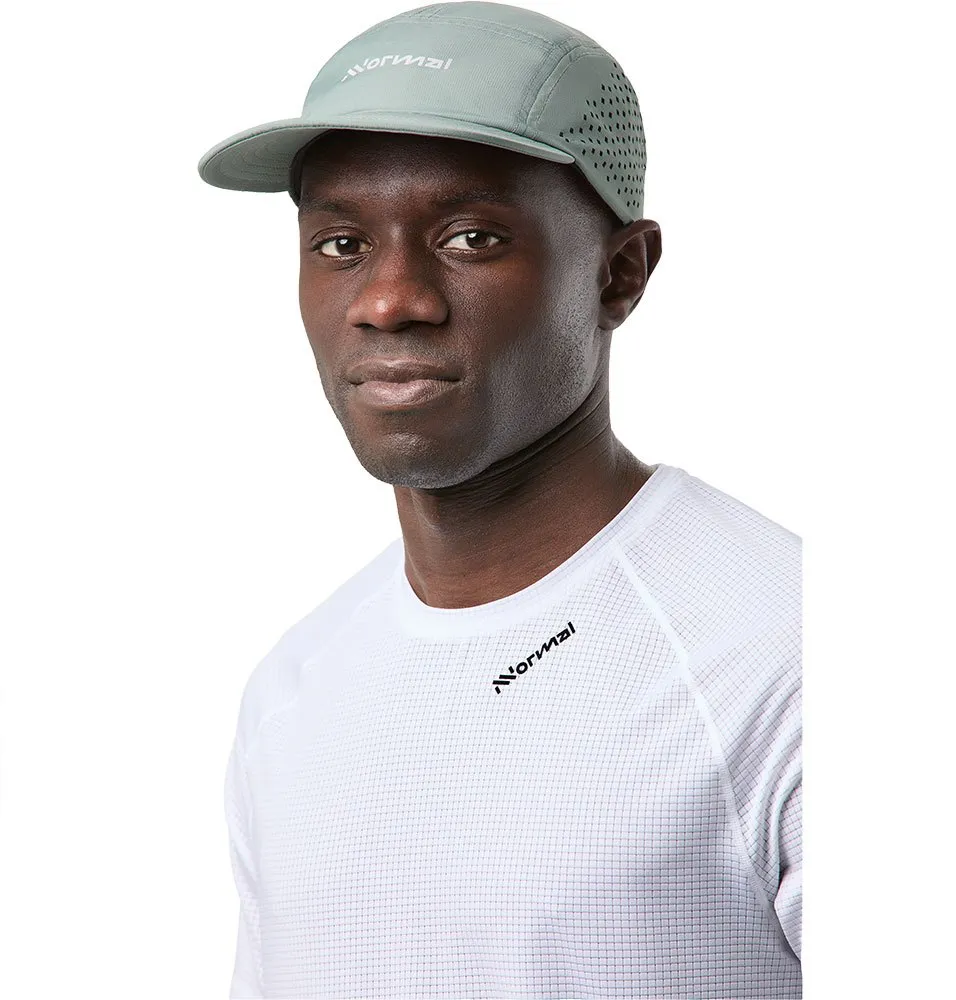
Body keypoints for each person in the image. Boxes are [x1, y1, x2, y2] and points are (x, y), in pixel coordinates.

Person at [197, 3, 802, 998]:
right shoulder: (294, 689)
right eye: (341, 244)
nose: (389, 300)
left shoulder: (783, 655)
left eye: (471, 237)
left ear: (619, 273)